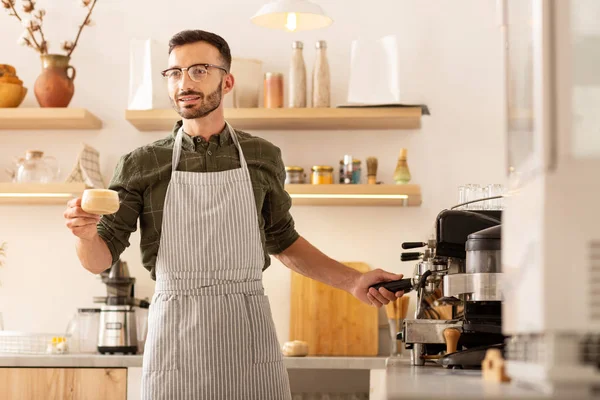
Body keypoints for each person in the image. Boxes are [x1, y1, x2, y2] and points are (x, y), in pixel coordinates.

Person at [63, 29, 405, 400]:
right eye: (174, 73)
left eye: (198, 70)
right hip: (176, 335)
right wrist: (85, 236)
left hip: (247, 329)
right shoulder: (141, 164)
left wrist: (353, 281)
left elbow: (284, 241)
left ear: (227, 81)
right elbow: (99, 259)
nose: (184, 82)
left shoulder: (262, 156)